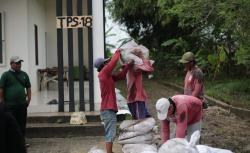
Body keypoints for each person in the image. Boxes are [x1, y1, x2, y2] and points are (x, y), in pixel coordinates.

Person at [94, 49, 133, 153]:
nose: (108, 63)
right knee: (110, 133)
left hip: (108, 109)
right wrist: (117, 52)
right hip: (107, 109)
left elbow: (120, 76)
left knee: (110, 132)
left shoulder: (108, 76)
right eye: (106, 62)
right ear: (103, 65)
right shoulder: (103, 74)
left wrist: (127, 67)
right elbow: (113, 62)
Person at [0, 56, 31, 147]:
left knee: (22, 123)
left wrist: (29, 99)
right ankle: (10, 143)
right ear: (11, 64)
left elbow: (28, 87)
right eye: (17, 63)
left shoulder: (24, 74)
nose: (19, 65)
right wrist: (2, 101)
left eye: (20, 63)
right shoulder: (5, 75)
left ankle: (21, 142)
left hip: (22, 104)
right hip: (10, 105)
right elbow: (1, 89)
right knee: (11, 124)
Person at [126, 49, 154, 119]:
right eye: (140, 54)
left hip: (133, 95)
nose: (142, 55)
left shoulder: (131, 65)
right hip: (137, 96)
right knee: (139, 119)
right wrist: (143, 58)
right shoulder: (136, 66)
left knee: (136, 117)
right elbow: (149, 69)